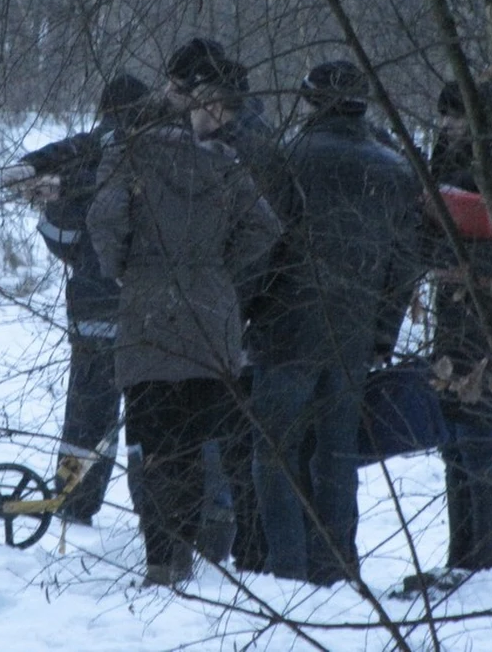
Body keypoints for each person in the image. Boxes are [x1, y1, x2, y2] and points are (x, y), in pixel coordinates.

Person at [87, 100, 281, 587]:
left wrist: (122, 269)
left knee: (153, 445)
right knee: (194, 445)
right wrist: (219, 271)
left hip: (149, 311)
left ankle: (158, 560)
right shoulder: (223, 161)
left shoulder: (129, 156)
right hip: (210, 314)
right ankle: (183, 555)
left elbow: (104, 220)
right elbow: (265, 226)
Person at [251, 60, 422, 586]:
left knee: (274, 451)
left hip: (288, 327)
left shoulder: (292, 158)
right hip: (353, 334)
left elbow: (263, 244)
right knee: (338, 455)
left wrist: (246, 309)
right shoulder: (393, 169)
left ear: (311, 102)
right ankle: (337, 568)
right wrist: (382, 333)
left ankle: (287, 568)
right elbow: (405, 262)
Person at [9, 73, 150, 526]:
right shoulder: (159, 155)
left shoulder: (84, 154)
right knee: (149, 419)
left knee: (87, 419)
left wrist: (52, 208)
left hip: (92, 310)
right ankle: (157, 509)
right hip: (150, 317)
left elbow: (61, 238)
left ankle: (74, 500)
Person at [183, 57, 297, 573]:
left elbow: (259, 236)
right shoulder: (259, 142)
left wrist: (227, 296)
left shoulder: (237, 154)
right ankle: (249, 547)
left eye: (196, 103)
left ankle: (249, 550)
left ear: (215, 106)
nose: (189, 114)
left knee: (234, 440)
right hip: (251, 310)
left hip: (240, 314)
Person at [421, 80, 492, 585]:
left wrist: (457, 258)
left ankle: (484, 562)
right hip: (451, 318)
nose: (446, 126)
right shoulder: (444, 158)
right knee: (454, 442)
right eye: (443, 116)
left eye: (455, 116)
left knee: (479, 440)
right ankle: (463, 557)